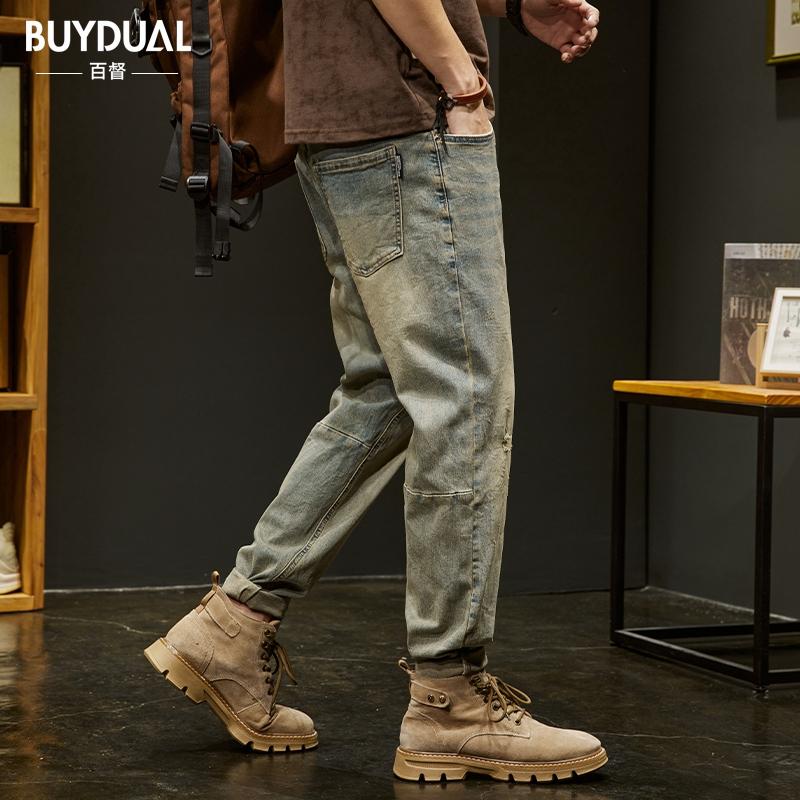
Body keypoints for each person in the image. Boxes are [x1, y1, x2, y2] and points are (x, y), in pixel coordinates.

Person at [144, 0, 605, 783]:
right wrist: (459, 81)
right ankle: (450, 699)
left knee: (388, 390)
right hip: (405, 115)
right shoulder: (430, 95)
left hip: (340, 120)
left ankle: (232, 623)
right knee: (463, 395)